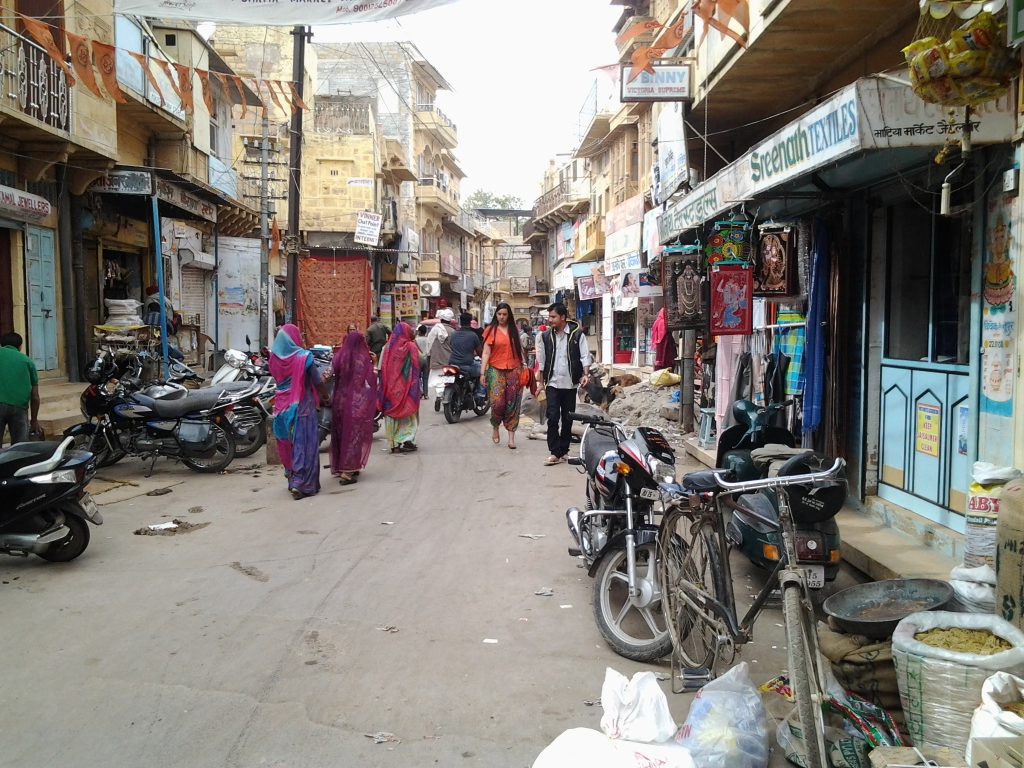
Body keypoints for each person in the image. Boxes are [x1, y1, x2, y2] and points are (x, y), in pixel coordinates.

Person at [269, 324, 328, 500]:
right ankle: (300, 484)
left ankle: (291, 477)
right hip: (302, 406)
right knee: (304, 444)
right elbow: (317, 380)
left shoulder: (273, 358)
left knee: (287, 443)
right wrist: (325, 396)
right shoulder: (304, 357)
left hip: (280, 407)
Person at [536, 302, 591, 466]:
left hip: (570, 383)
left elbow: (584, 356)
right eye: (549, 317)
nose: (550, 320)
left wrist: (585, 374)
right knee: (552, 417)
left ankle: (564, 450)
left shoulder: (577, 334)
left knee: (568, 419)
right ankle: (554, 452)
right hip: (552, 383)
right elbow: (542, 361)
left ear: (563, 317)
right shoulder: (546, 336)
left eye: (553, 317)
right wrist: (540, 383)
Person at [329, 330, 377, 485]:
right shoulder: (362, 359)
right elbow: (370, 379)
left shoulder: (339, 357)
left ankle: (343, 466)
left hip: (340, 401)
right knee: (354, 435)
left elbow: (329, 374)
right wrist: (374, 364)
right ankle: (348, 472)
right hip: (356, 402)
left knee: (341, 433)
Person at [480, 302, 525, 450]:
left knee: (513, 403)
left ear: (509, 315)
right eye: (499, 314)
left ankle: (511, 437)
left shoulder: (514, 331)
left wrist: (524, 367)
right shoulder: (490, 330)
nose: (502, 317)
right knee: (497, 402)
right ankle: (495, 426)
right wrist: (482, 373)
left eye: (505, 314)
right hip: (495, 370)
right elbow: (486, 353)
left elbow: (520, 350)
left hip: (514, 369)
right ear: (496, 315)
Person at [379, 321, 420, 454]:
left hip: (390, 389)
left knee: (392, 415)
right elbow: (419, 364)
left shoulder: (387, 348)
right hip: (407, 387)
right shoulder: (411, 347)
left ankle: (394, 444)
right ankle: (407, 439)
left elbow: (381, 368)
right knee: (409, 414)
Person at [0, 332, 40, 445]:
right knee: (20, 448)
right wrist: (34, 420)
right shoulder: (28, 361)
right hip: (19, 407)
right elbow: (35, 396)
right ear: (20, 346)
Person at [425, 307, 456, 384]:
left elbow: (428, 347)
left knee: (436, 386)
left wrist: (429, 362)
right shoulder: (453, 332)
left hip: (435, 363)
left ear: (441, 320)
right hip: (449, 364)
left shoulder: (434, 330)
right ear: (450, 321)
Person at [415, 324, 432, 399]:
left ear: (419, 332)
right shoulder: (428, 339)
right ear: (425, 332)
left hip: (418, 359)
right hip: (426, 359)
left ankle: (420, 392)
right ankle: (426, 394)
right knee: (425, 377)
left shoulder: (416, 340)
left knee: (417, 377)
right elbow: (430, 350)